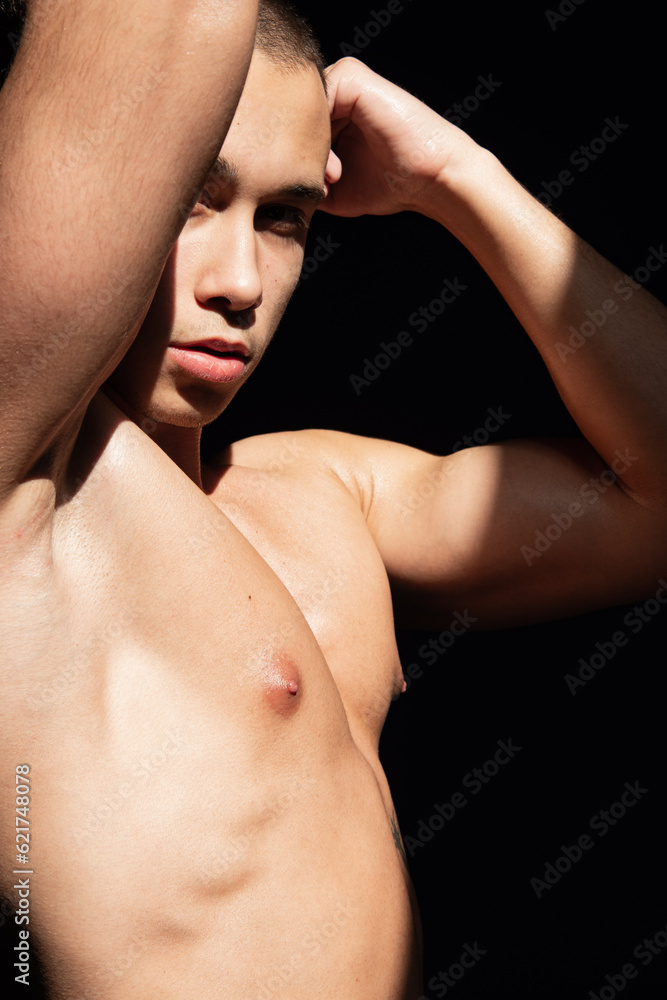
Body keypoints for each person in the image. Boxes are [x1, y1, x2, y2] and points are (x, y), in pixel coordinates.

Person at [1, 2, 665, 999]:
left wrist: (456, 176)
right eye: (190, 198)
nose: (240, 283)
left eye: (283, 219)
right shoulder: (30, 500)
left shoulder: (323, 492)